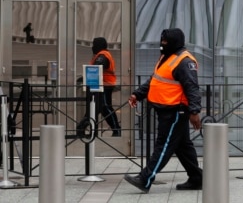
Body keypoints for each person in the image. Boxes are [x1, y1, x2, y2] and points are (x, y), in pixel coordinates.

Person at [124, 28, 202, 193]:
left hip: (176, 111)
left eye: (165, 41)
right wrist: (137, 94)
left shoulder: (184, 61)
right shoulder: (166, 58)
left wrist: (194, 112)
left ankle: (145, 179)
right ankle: (197, 178)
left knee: (164, 145)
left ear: (174, 42)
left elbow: (192, 88)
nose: (162, 44)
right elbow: (155, 80)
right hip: (166, 110)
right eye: (162, 40)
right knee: (183, 147)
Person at [77, 37, 121, 137]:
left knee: (105, 107)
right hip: (100, 85)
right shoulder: (100, 55)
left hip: (104, 85)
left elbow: (97, 66)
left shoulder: (103, 55)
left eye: (94, 44)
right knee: (96, 108)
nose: (92, 47)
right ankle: (82, 128)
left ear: (98, 45)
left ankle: (116, 129)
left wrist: (84, 77)